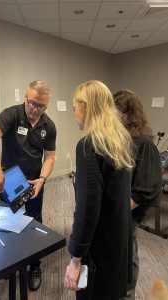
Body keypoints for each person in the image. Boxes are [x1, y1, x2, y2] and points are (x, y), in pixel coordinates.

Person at [0, 80, 56, 291]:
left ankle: (34, 266)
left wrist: (42, 179)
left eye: (40, 106)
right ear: (26, 98)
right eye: (31, 103)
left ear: (46, 106)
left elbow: (49, 157)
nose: (34, 109)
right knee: (9, 221)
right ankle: (10, 262)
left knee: (34, 222)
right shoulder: (11, 114)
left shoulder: (48, 125)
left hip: (34, 181)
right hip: (10, 179)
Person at [64, 80, 134, 300]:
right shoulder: (120, 141)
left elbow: (87, 211)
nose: (74, 113)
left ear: (86, 107)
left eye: (75, 107)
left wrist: (76, 259)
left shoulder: (88, 146)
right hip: (118, 241)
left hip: (98, 249)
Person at [113, 89, 162, 300]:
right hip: (119, 210)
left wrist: (122, 211)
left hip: (128, 213)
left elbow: (147, 188)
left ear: (127, 114)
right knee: (117, 254)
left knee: (127, 256)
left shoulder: (144, 143)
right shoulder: (123, 139)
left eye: (115, 112)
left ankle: (128, 294)